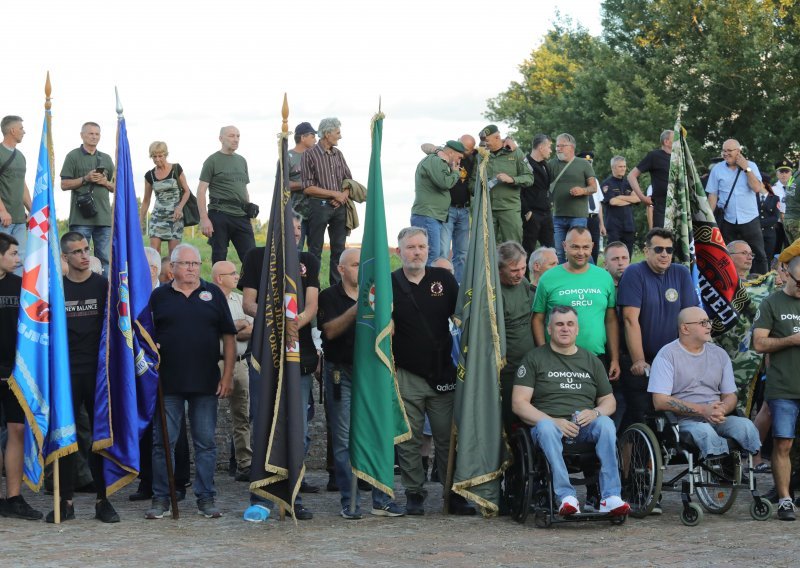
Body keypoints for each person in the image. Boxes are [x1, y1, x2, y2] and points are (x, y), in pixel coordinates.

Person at [512, 305, 630, 517]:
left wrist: (595, 413)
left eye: (570, 324)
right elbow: (519, 404)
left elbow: (609, 401)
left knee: (605, 423)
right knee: (546, 427)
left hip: (584, 426)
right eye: (559, 324)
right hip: (549, 428)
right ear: (549, 329)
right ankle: (566, 497)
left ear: (577, 329)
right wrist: (554, 421)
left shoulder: (591, 361)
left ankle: (611, 497)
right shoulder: (534, 358)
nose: (564, 329)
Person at [146, 244, 236, 520]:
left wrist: (228, 374)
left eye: (195, 264)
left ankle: (206, 498)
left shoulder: (214, 295)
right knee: (163, 444)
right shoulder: (158, 297)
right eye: (185, 264)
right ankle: (161, 497)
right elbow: (144, 336)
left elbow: (229, 337)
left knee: (206, 444)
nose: (191, 268)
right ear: (171, 267)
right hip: (167, 383)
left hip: (205, 382)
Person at [239, 213, 318, 521]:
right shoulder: (257, 256)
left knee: (298, 427)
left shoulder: (308, 259)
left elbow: (312, 303)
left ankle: (292, 496)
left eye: (299, 228)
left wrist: (294, 323)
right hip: (265, 354)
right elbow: (248, 303)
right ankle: (261, 497)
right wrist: (277, 321)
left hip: (298, 352)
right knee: (263, 423)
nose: (296, 233)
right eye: (290, 228)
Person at [391, 227, 475, 516]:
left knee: (447, 437)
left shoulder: (444, 279)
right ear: (399, 250)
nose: (417, 252)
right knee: (409, 439)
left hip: (442, 375)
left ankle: (453, 493)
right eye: (411, 247)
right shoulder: (390, 283)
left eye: (422, 247)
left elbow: (462, 317)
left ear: (429, 249)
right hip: (407, 374)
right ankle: (414, 493)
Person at [317, 248, 405, 519]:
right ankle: (349, 500)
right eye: (354, 265)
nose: (360, 270)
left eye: (361, 264)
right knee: (343, 440)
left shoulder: (380, 295)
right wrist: (357, 310)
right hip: (340, 374)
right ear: (341, 269)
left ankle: (382, 499)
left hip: (373, 372)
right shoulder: (329, 296)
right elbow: (329, 331)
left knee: (379, 433)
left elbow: (392, 330)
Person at [48, 232, 117, 523]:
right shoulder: (56, 290)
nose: (84, 255)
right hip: (65, 375)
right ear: (65, 257)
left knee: (101, 438)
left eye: (86, 249)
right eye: (76, 251)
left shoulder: (104, 286)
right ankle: (65, 502)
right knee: (65, 438)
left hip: (98, 375)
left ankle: (104, 501)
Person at [649, 306, 760, 460]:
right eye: (703, 323)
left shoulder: (720, 354)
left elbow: (730, 395)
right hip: (684, 421)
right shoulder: (667, 356)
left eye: (709, 322)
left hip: (717, 417)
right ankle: (720, 467)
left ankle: (731, 472)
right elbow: (659, 401)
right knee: (704, 432)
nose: (709, 326)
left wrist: (722, 408)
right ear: (685, 328)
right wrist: (703, 411)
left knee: (746, 426)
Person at [617, 228, 700, 427]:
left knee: (677, 419)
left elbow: (691, 318)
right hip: (644, 362)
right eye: (659, 249)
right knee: (640, 419)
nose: (664, 254)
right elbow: (630, 320)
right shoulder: (634, 273)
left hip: (675, 362)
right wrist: (638, 360)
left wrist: (695, 355)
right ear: (646, 251)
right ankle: (630, 457)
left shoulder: (680, 273)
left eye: (669, 250)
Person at [532, 227, 620, 381]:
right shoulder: (548, 278)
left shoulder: (604, 278)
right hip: (557, 359)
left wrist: (614, 358)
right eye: (575, 247)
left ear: (592, 246)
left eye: (585, 247)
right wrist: (543, 355)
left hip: (596, 358)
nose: (581, 253)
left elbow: (611, 320)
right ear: (565, 246)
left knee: (600, 403)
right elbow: (537, 319)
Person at [753, 253, 800, 521]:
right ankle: (784, 499)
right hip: (783, 387)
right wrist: (791, 340)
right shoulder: (772, 303)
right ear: (787, 275)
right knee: (783, 443)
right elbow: (759, 344)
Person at [0, 233, 41, 520]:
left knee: (17, 431)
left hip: (17, 374)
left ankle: (13, 497)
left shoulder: (23, 286)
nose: (18, 258)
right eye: (13, 253)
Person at [211, 261, 253, 482]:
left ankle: (245, 464)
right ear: (219, 278)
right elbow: (208, 329)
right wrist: (236, 325)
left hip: (239, 363)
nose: (237, 277)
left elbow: (252, 330)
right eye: (233, 273)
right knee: (207, 413)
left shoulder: (240, 300)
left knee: (243, 415)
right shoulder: (206, 298)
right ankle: (206, 465)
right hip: (212, 363)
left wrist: (225, 328)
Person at [301, 117, 353, 285]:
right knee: (314, 250)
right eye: (337, 133)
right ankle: (312, 287)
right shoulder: (309, 155)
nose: (340, 136)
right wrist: (333, 194)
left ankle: (337, 288)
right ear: (327, 134)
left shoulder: (339, 154)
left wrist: (342, 196)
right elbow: (307, 187)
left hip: (340, 207)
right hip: (318, 206)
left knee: (339, 250)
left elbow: (348, 181)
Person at [59, 122, 115, 277]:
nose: (94, 137)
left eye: (97, 134)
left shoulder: (106, 158)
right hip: (80, 218)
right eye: (90, 133)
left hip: (104, 219)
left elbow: (117, 188)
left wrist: (105, 182)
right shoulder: (72, 156)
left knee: (105, 259)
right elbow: (64, 184)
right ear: (82, 135)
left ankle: (105, 293)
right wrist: (85, 178)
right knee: (77, 258)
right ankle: (79, 290)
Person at [706, 139, 767, 274]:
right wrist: (708, 220)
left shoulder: (751, 166)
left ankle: (762, 284)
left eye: (729, 151)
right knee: (727, 254)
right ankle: (730, 283)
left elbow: (757, 188)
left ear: (738, 151)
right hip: (728, 219)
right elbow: (713, 196)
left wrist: (746, 168)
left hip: (750, 218)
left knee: (758, 254)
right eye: (724, 151)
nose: (725, 154)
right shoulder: (717, 169)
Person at [197, 126, 256, 265]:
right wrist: (204, 219)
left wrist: (249, 212)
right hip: (219, 213)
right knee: (219, 256)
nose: (235, 139)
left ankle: (251, 287)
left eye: (238, 136)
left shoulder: (242, 160)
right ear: (221, 138)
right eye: (231, 136)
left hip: (241, 215)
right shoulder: (212, 161)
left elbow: (244, 189)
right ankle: (217, 287)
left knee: (252, 258)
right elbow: (201, 191)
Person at [498, 242, 535, 436]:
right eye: (514, 270)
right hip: (507, 368)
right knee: (509, 416)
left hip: (530, 364)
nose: (520, 274)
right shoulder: (493, 293)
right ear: (500, 269)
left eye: (523, 268)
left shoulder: (524, 284)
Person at [410, 140, 465, 265]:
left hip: (432, 215)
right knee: (431, 255)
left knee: (432, 254)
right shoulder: (436, 161)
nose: (459, 161)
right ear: (451, 152)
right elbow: (444, 183)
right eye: (459, 157)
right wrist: (456, 172)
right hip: (428, 215)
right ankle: (428, 284)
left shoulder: (439, 161)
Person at [480, 125, 533, 245]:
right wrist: (478, 188)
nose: (485, 144)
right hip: (487, 210)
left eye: (487, 140)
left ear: (498, 137)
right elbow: (473, 181)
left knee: (513, 248)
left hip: (509, 209)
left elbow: (529, 178)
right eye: (483, 141)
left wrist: (512, 179)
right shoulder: (482, 155)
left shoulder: (515, 152)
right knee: (485, 249)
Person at [548, 133, 597, 264]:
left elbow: (594, 188)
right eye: (557, 146)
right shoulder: (551, 164)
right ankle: (565, 281)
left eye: (561, 146)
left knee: (581, 251)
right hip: (557, 216)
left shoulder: (583, 164)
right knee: (560, 252)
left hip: (578, 216)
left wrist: (582, 190)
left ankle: (590, 274)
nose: (558, 149)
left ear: (571, 147)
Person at [139, 141, 191, 256]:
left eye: (160, 156)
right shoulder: (149, 175)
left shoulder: (176, 169)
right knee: (154, 251)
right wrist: (140, 221)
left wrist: (179, 208)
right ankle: (155, 274)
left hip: (175, 217)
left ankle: (171, 274)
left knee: (173, 254)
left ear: (165, 155)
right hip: (157, 218)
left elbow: (187, 191)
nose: (157, 159)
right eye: (154, 156)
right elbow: (146, 200)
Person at [440, 135, 476, 284]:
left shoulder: (472, 158)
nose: (463, 152)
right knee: (442, 250)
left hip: (464, 209)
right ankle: (441, 283)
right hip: (448, 209)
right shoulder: (443, 157)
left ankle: (459, 286)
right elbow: (426, 147)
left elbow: (486, 149)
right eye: (461, 147)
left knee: (462, 253)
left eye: (467, 150)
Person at [0, 116, 31, 275]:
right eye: (21, 128)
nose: (23, 132)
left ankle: (16, 295)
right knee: (2, 259)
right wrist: (2, 211)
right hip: (3, 219)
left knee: (19, 259)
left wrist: (32, 209)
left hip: (19, 219)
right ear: (12, 130)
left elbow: (22, 184)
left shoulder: (21, 156)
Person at [628, 130, 673, 230]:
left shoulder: (680, 158)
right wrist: (642, 197)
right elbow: (631, 176)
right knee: (662, 239)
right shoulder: (655, 156)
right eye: (675, 139)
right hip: (662, 206)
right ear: (666, 142)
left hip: (679, 205)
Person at [521, 134, 555, 263]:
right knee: (528, 249)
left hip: (546, 213)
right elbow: (520, 191)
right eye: (549, 147)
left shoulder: (545, 165)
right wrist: (527, 212)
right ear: (541, 147)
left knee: (551, 249)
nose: (550, 150)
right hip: (532, 214)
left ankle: (550, 278)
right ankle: (527, 280)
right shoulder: (525, 164)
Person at [601, 156, 639, 256]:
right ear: (613, 167)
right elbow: (613, 201)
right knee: (614, 254)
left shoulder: (629, 182)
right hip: (614, 226)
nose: (623, 169)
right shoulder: (607, 184)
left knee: (628, 255)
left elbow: (638, 198)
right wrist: (630, 200)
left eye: (624, 166)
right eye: (620, 166)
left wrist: (620, 197)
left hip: (628, 225)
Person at [289, 122, 317, 250]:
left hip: (315, 211)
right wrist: (306, 185)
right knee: (295, 249)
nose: (315, 139)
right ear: (302, 137)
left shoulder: (316, 156)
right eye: (312, 136)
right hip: (296, 212)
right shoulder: (288, 157)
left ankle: (311, 271)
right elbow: (283, 185)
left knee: (315, 250)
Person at [580, 151, 605, 263]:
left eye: (590, 163)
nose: (588, 166)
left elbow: (598, 203)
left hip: (594, 218)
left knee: (594, 247)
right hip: (581, 217)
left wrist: (602, 224)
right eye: (585, 163)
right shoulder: (577, 180)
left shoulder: (595, 181)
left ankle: (593, 270)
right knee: (582, 245)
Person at [757, 180, 781, 263]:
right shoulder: (752, 197)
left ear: (764, 184)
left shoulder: (775, 198)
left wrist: (758, 224)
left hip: (769, 233)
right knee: (755, 257)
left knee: (768, 257)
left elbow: (775, 217)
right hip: (756, 233)